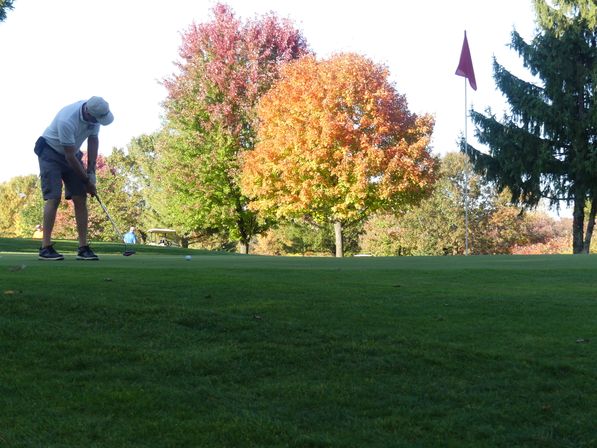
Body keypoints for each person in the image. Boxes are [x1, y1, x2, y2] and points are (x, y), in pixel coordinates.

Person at [34, 96, 114, 261]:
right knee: (53, 198)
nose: (98, 122)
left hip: (72, 152)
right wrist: (86, 181)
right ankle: (45, 247)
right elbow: (70, 157)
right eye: (97, 119)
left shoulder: (95, 116)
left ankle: (83, 247)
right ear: (87, 112)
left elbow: (93, 140)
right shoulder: (67, 120)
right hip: (50, 152)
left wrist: (91, 172)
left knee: (80, 197)